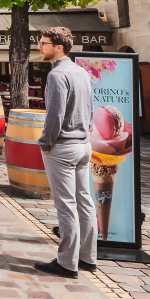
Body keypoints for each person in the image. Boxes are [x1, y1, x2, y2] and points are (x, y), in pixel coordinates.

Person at [34, 26, 97, 279]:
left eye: (43, 43)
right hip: (83, 144)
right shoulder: (81, 71)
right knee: (84, 201)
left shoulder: (56, 75)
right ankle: (88, 258)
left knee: (66, 205)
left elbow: (55, 115)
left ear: (58, 47)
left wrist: (46, 142)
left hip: (63, 146)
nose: (39, 47)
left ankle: (67, 263)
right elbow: (90, 109)